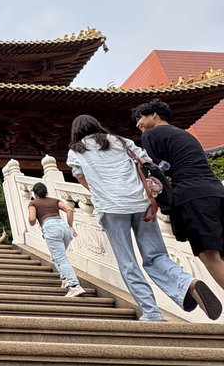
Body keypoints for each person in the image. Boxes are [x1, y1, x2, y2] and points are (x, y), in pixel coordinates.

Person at [67, 114, 221, 321]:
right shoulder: (122, 141)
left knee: (128, 262)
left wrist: (100, 192)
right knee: (156, 256)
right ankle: (187, 283)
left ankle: (152, 312)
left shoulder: (77, 150)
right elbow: (146, 162)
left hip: (111, 208)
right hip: (142, 204)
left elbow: (80, 176)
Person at [133, 99, 224, 292]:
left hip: (192, 196)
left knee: (209, 255)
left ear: (153, 115)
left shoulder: (151, 134)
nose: (137, 124)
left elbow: (155, 170)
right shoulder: (185, 134)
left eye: (140, 117)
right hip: (216, 191)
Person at [28, 182, 85, 297]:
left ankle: (74, 285)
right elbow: (70, 210)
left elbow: (32, 219)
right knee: (56, 257)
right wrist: (70, 226)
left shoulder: (33, 203)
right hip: (64, 227)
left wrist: (32, 221)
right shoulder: (55, 200)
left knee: (61, 258)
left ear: (35, 193)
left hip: (51, 228)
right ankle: (64, 279)